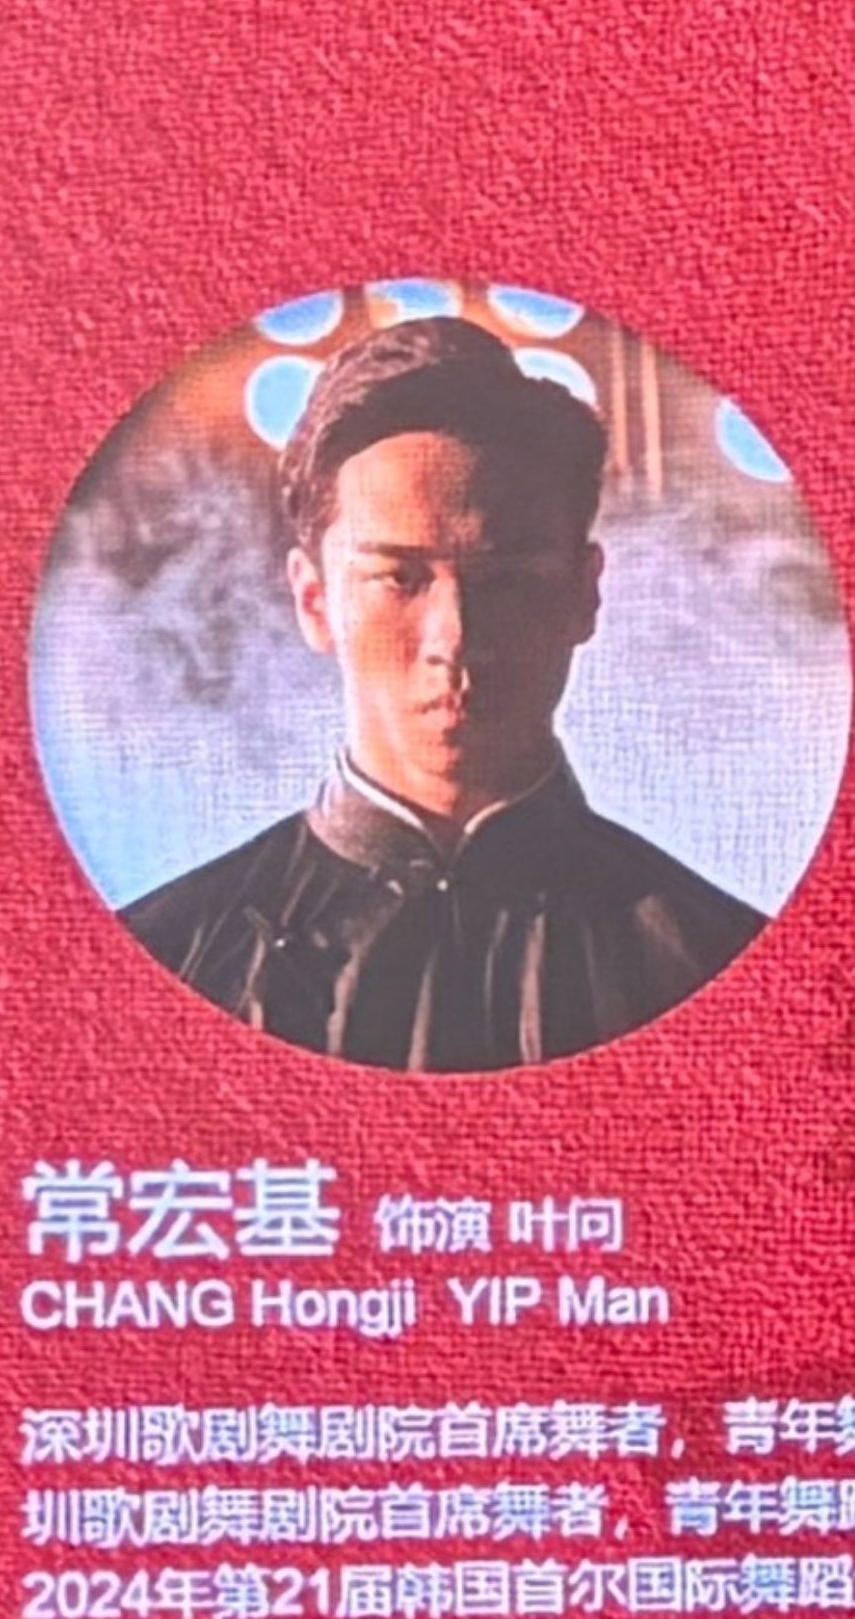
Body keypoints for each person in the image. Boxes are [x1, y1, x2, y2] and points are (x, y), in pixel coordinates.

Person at [123, 315, 766, 1067]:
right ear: (314, 600)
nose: (455, 637)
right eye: (399, 578)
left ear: (584, 593)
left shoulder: (725, 964)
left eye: (506, 579)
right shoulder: (166, 960)